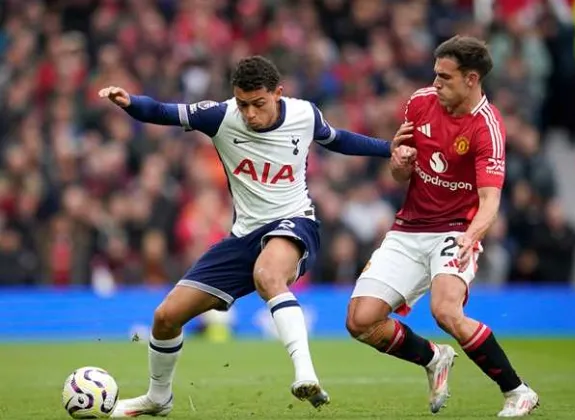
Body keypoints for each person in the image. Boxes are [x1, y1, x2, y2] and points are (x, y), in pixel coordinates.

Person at [99, 55, 393, 417]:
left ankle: (306, 374)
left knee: (268, 275)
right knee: (165, 317)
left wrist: (389, 148)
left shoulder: (304, 114)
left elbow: (338, 139)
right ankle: (158, 398)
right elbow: (161, 111)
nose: (250, 114)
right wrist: (130, 103)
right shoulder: (220, 116)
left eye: (258, 104)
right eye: (242, 104)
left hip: (293, 221)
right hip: (244, 236)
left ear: (278, 94)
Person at [345, 36, 539, 417]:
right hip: (408, 228)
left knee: (446, 311)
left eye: (445, 77)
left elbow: (490, 201)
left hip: (455, 229)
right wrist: (399, 164)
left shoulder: (487, 127)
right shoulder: (419, 103)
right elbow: (400, 171)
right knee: (360, 320)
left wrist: (471, 236)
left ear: (471, 79)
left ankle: (518, 391)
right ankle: (434, 358)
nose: (435, 83)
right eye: (435, 74)